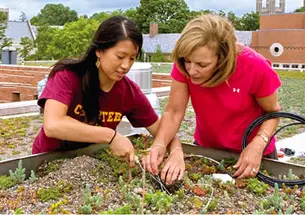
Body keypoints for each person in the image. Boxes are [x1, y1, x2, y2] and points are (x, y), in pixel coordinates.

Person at [32, 16, 184, 184]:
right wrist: (111, 136)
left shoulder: (128, 91)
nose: (126, 65)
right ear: (99, 50)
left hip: (90, 167)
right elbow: (53, 125)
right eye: (120, 56)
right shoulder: (68, 76)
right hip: (46, 164)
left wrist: (177, 153)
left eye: (132, 58)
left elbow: (163, 130)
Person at [144, 14, 281, 179]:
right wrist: (160, 144)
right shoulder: (186, 64)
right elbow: (174, 111)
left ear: (223, 58)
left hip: (252, 154)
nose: (191, 71)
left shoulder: (255, 66)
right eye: (187, 61)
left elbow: (273, 113)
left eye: (202, 65)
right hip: (207, 151)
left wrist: (258, 144)